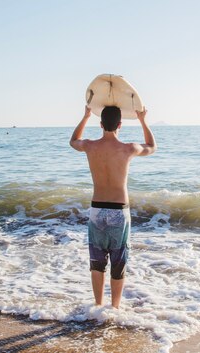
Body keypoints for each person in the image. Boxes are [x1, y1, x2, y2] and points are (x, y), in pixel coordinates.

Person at [69, 105, 157, 308]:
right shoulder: (129, 148)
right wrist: (143, 119)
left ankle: (98, 307)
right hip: (119, 211)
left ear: (101, 124)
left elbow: (73, 141)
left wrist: (85, 116)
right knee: (119, 262)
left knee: (97, 262)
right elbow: (152, 146)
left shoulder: (90, 146)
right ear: (120, 125)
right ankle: (115, 308)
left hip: (97, 209)